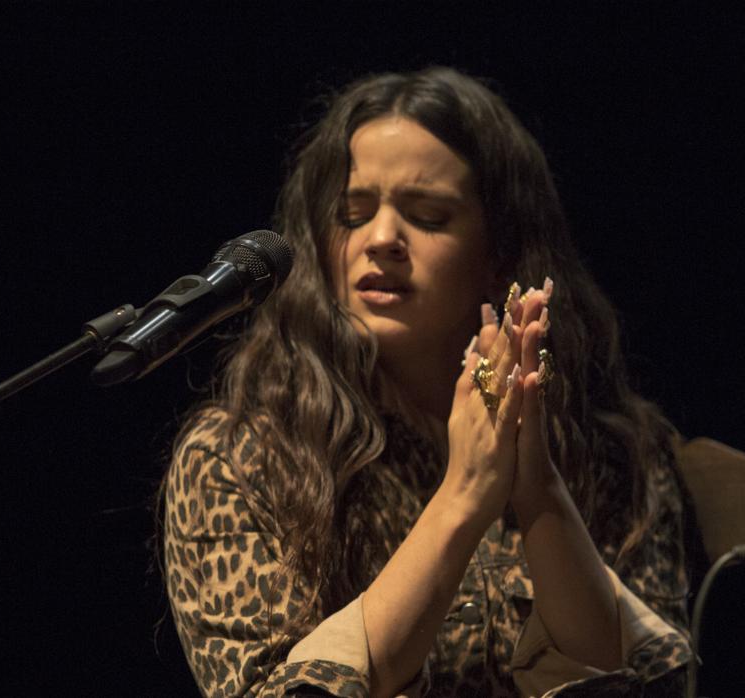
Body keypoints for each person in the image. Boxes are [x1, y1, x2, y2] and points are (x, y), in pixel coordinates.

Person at [160, 66, 692, 697]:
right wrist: (463, 498)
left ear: (500, 253)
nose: (381, 239)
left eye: (428, 215)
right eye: (353, 213)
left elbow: (652, 685)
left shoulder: (614, 451)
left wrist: (541, 490)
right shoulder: (239, 457)